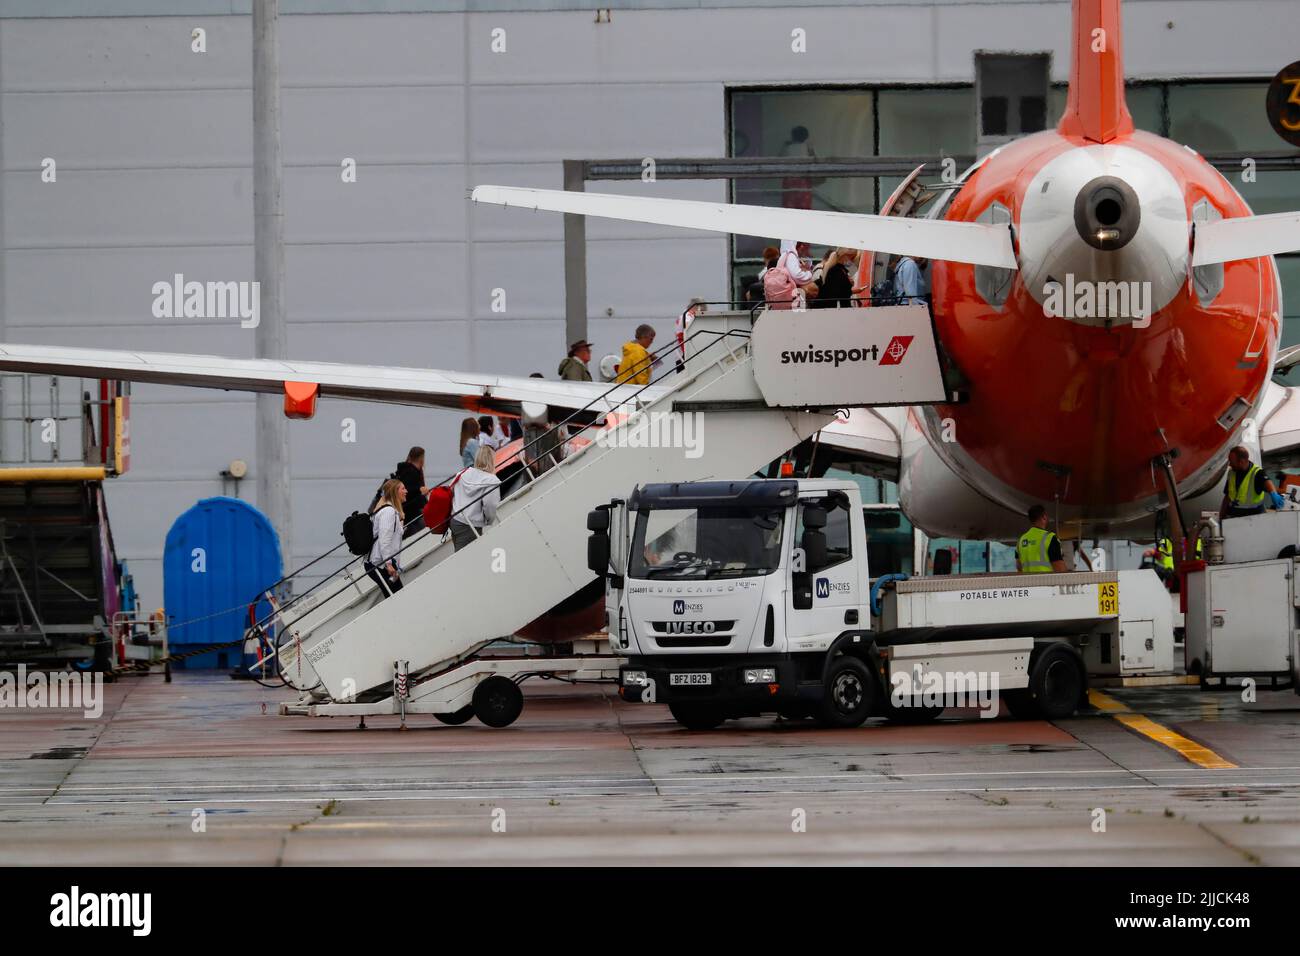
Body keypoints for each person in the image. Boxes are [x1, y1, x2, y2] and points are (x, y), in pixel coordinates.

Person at [449, 445, 502, 551]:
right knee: (467, 557)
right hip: (471, 523)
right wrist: (489, 520)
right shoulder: (491, 480)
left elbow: (451, 490)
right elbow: (490, 504)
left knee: (460, 552)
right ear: (492, 460)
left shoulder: (463, 473)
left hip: (455, 519)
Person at [366, 478, 407, 596]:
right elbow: (385, 539)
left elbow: (393, 538)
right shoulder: (388, 512)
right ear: (395, 492)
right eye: (403, 488)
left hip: (380, 562)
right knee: (397, 596)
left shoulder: (391, 511)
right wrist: (389, 564)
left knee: (394, 595)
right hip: (380, 564)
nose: (406, 491)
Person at [1220, 445, 1283, 519]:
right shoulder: (1232, 472)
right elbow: (1227, 496)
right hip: (1234, 516)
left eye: (1232, 462)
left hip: (1253, 517)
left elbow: (1267, 481)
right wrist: (1221, 516)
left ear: (1241, 462)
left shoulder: (1256, 472)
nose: (1230, 465)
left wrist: (1273, 493)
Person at [1016, 505, 1067, 574]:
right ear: (1044, 517)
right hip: (1046, 583)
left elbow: (1019, 567)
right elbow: (1059, 568)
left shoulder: (1021, 540)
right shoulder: (1050, 538)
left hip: (1028, 583)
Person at [764, 239, 815, 310]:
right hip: (792, 300)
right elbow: (797, 276)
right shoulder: (791, 256)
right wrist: (809, 273)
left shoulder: (784, 256)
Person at [393, 446, 429, 537]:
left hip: (409, 512)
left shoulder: (406, 470)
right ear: (421, 458)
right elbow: (408, 490)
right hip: (413, 512)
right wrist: (419, 490)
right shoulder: (411, 472)